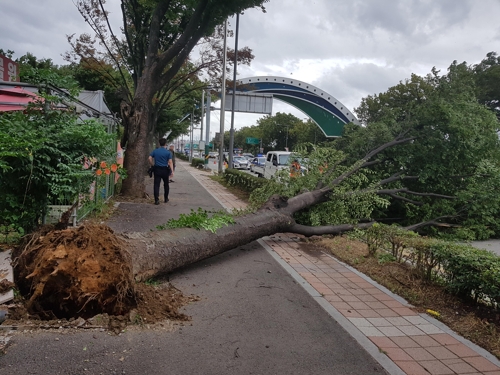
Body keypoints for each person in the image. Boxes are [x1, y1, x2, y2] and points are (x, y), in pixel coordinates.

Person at [148, 138, 174, 205]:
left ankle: (156, 200)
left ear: (159, 143)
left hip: (157, 169)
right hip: (165, 170)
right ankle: (166, 198)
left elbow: (149, 158)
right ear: (165, 144)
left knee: (156, 185)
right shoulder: (168, 152)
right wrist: (172, 171)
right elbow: (170, 162)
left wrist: (152, 164)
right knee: (166, 184)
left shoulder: (155, 151)